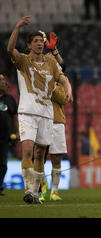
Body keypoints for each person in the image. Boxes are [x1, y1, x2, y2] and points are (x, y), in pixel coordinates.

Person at [7, 16, 73, 204]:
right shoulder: (23, 61)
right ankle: (28, 190)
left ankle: (35, 192)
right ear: (28, 45)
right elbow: (10, 49)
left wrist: (67, 89)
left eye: (41, 41)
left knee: (40, 154)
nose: (39, 44)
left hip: (46, 114)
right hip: (27, 112)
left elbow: (63, 77)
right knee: (27, 150)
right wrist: (17, 27)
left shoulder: (51, 62)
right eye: (35, 41)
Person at [39, 31, 69, 201]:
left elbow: (62, 98)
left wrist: (55, 52)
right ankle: (42, 187)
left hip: (57, 121)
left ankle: (54, 191)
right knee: (39, 157)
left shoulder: (58, 81)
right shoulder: (38, 74)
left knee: (56, 157)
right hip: (40, 118)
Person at [0, 74, 18, 196]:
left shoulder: (10, 99)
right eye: (0, 80)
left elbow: (15, 117)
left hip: (5, 137)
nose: (3, 82)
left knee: (2, 164)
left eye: (3, 79)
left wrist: (17, 132)